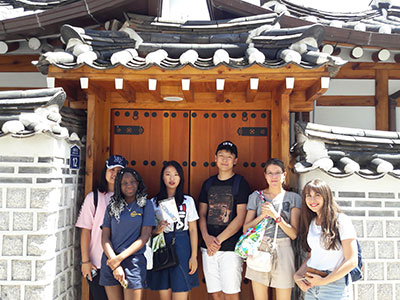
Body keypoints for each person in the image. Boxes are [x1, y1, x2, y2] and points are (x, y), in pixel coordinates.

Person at [198, 140, 251, 300]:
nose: (224, 160)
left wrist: (217, 241)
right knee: (216, 293)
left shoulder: (240, 183)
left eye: (229, 157)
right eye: (221, 156)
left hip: (230, 248)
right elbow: (201, 215)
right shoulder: (208, 184)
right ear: (215, 158)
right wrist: (207, 239)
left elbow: (241, 217)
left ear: (235, 160)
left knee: (231, 293)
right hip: (208, 247)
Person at [243, 158, 301, 300]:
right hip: (260, 247)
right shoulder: (256, 197)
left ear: (284, 175)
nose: (273, 177)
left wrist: (276, 216)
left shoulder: (293, 198)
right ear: (265, 175)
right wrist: (262, 215)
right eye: (270, 173)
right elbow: (246, 228)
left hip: (284, 247)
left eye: (277, 173)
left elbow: (293, 234)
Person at [294, 179, 358, 300]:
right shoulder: (311, 222)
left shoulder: (341, 220)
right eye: (309, 196)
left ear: (326, 196)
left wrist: (324, 281)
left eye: (317, 195)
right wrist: (297, 275)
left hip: (334, 285)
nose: (312, 200)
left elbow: (352, 260)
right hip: (311, 283)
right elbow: (312, 255)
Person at [76, 154, 128, 300]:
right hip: (97, 263)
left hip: (124, 263)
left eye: (119, 171)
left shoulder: (130, 198)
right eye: (111, 169)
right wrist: (85, 261)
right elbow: (85, 231)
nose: (114, 174)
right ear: (105, 171)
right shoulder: (94, 198)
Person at [100, 168, 156, 300]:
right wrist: (115, 263)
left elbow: (144, 237)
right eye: (124, 183)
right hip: (110, 261)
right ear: (119, 186)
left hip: (133, 262)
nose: (129, 185)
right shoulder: (111, 207)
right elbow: (105, 237)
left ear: (138, 183)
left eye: (132, 182)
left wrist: (118, 259)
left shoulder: (145, 205)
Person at [147, 160, 199, 300]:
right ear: (162, 177)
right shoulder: (153, 202)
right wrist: (157, 230)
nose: (172, 178)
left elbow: (193, 230)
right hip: (161, 245)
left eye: (176, 175)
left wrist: (193, 256)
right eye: (168, 174)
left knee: (181, 290)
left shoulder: (188, 201)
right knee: (164, 293)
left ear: (180, 178)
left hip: (182, 245)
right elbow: (147, 232)